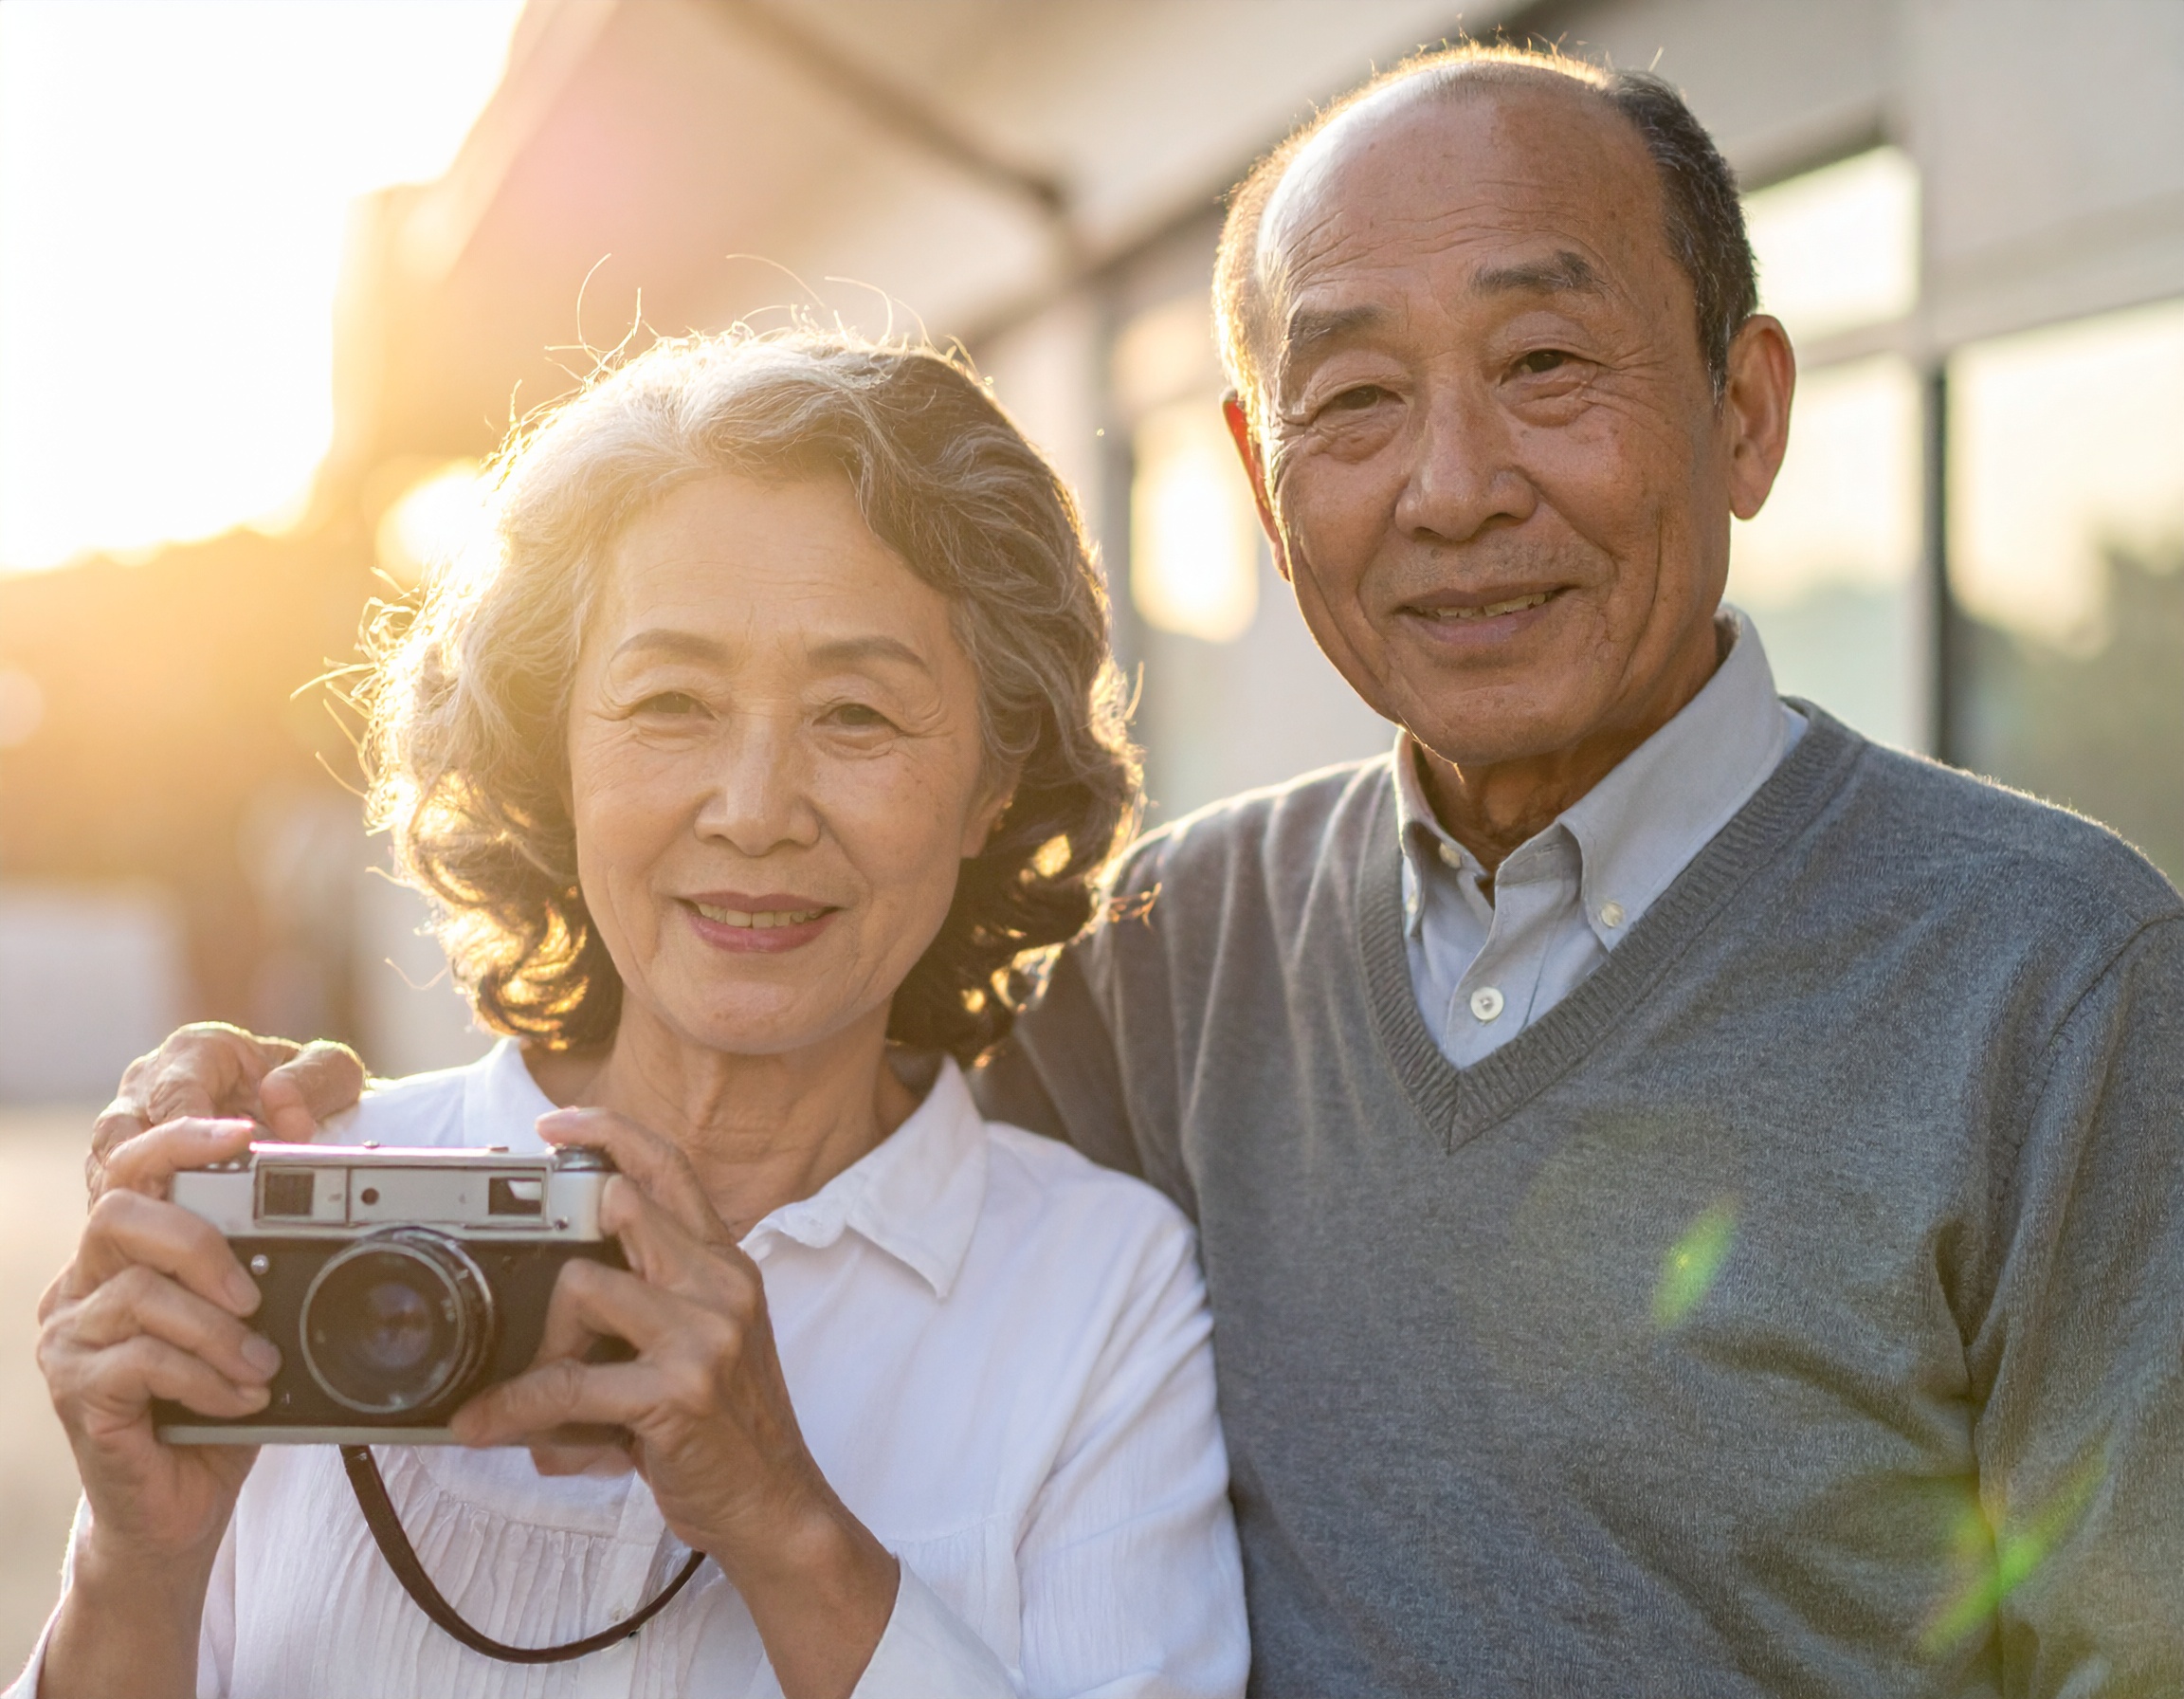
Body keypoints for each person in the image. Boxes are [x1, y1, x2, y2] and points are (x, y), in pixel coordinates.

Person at [92, 42, 2184, 1696]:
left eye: (1546, 367)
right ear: (1270, 493)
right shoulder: (1185, 957)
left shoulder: (2056, 975)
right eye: (1356, 398)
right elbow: (767, 1035)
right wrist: (292, 1153)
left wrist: (778, 1507)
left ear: (1745, 410)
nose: (1455, 487)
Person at [25, 330, 1247, 1699]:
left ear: (992, 786)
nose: (754, 809)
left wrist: (786, 1525)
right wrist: (136, 1568)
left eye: (858, 715)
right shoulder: (304, 1201)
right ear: (550, 755)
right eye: (670, 702)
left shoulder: (1097, 1297)